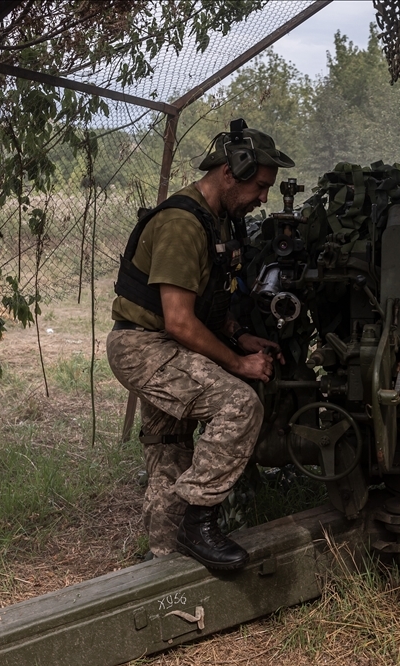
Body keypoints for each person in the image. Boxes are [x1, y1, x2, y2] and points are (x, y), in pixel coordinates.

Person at [107, 121, 292, 570]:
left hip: (158, 340)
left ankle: (165, 558)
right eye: (261, 186)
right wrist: (240, 363)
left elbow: (204, 303)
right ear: (231, 171)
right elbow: (179, 322)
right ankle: (199, 524)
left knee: (169, 443)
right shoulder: (182, 224)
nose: (264, 197)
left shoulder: (217, 221)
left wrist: (238, 334)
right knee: (239, 405)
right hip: (143, 346)